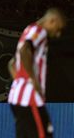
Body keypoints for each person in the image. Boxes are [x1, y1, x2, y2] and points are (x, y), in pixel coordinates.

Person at [8, 8, 67, 138]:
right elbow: (24, 50)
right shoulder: (40, 31)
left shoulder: (29, 30)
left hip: (16, 97)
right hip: (30, 98)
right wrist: (33, 81)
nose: (58, 34)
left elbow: (12, 64)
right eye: (58, 28)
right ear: (52, 20)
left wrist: (19, 84)